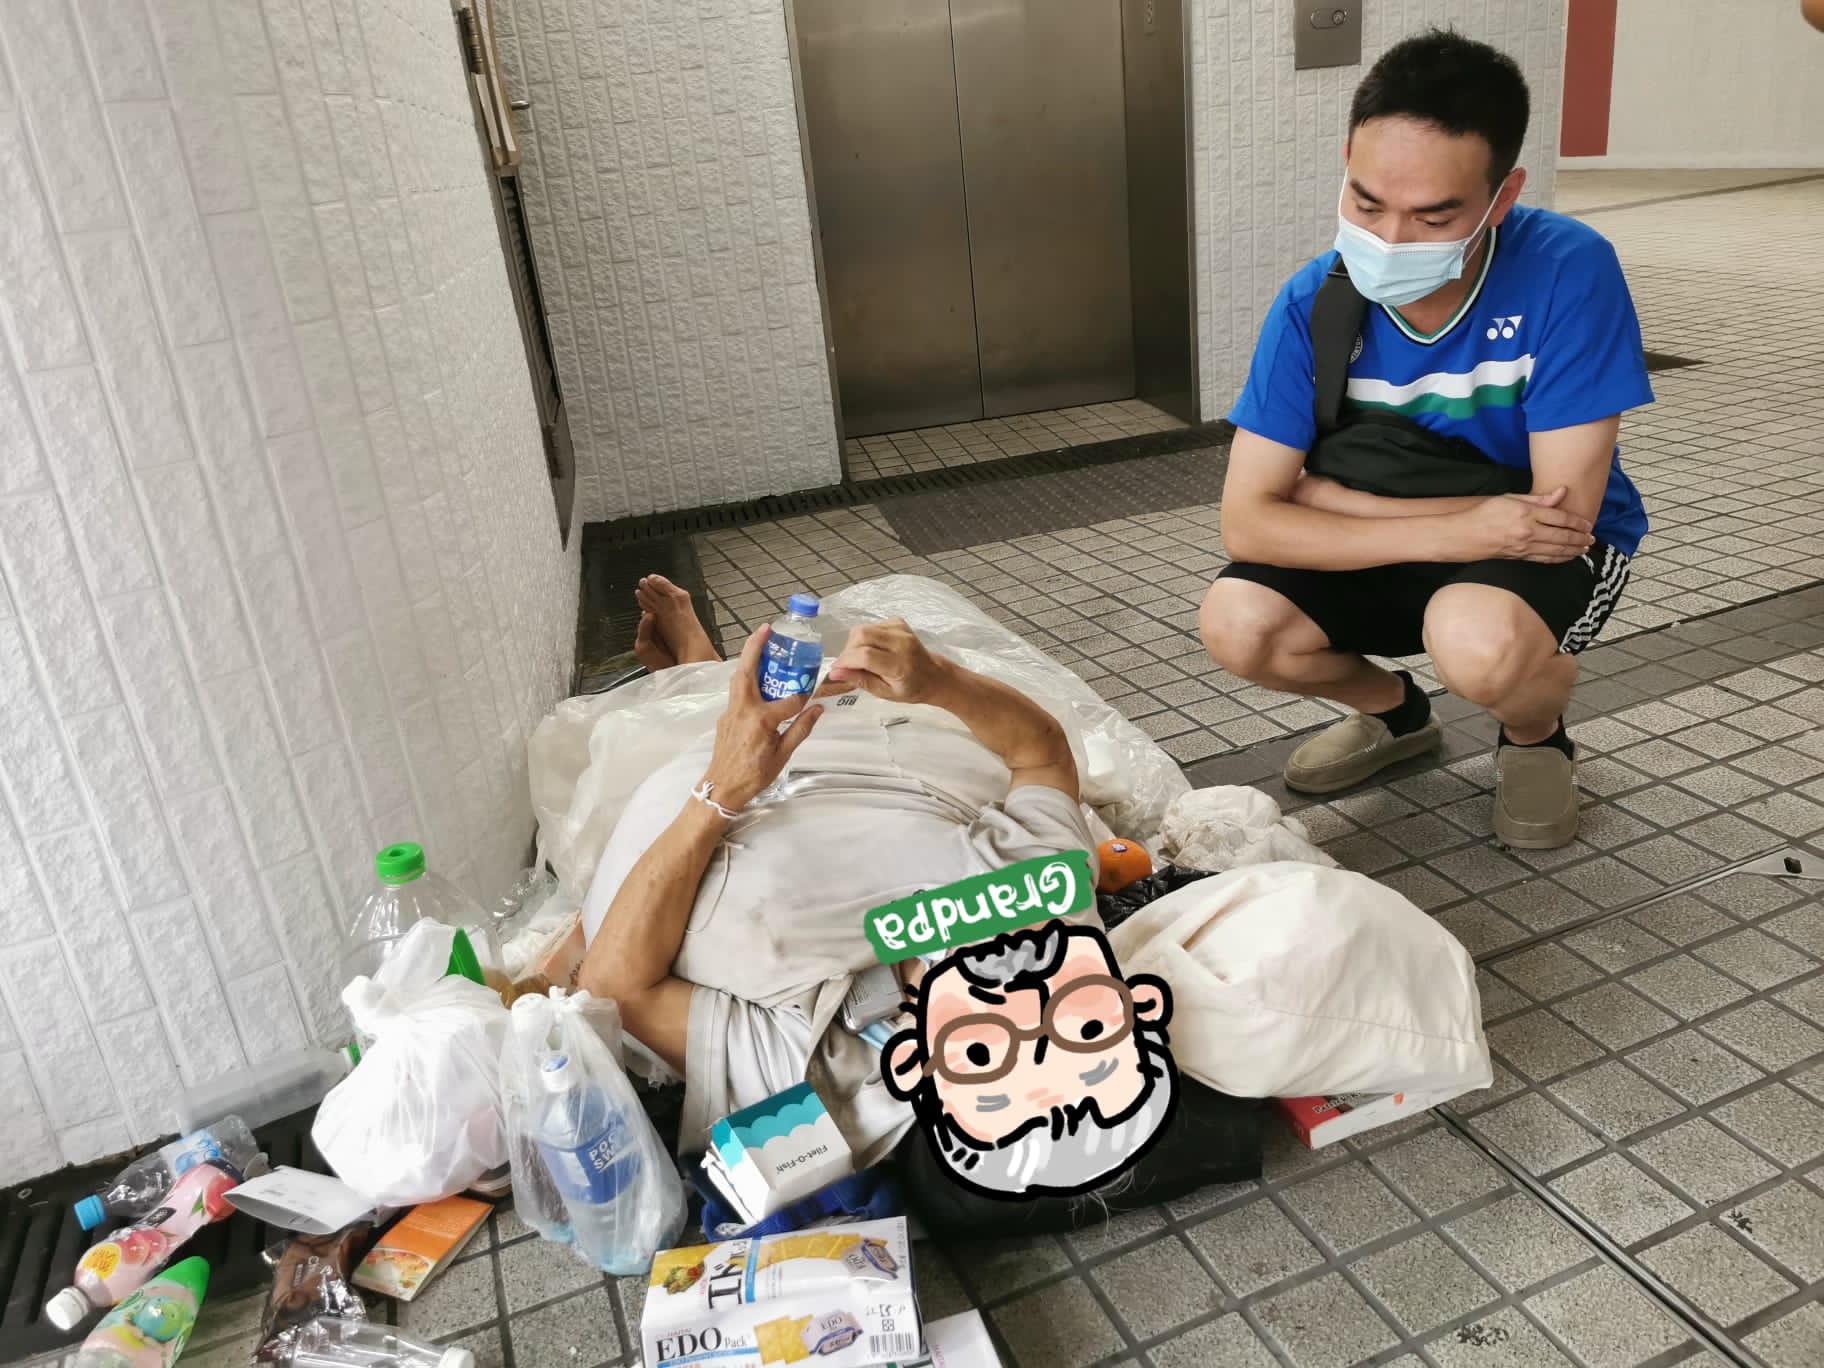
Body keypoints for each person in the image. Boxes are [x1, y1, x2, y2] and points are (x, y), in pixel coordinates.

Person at [1199, 29, 1654, 849]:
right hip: (1456, 532)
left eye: (1434, 214)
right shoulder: (1314, 303)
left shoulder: (1567, 271)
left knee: (1475, 643)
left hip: (1533, 557)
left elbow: (1556, 519)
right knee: (1238, 621)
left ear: (1501, 197)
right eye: (1367, 202)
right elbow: (1249, 523)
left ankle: (1534, 735)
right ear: (1346, 161)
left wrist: (1331, 499)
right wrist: (1463, 526)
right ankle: (1396, 716)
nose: (1391, 240)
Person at [576, 576, 1099, 1165]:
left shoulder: (817, 1069)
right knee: (779, 693)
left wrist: (719, 790)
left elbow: (614, 989)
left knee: (669, 727)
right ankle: (701, 674)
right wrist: (941, 682)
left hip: (698, 783)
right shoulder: (1041, 913)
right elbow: (1042, 753)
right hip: (874, 745)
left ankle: (695, 668)